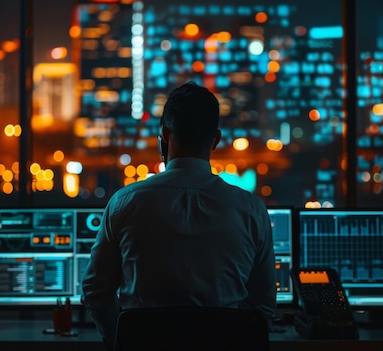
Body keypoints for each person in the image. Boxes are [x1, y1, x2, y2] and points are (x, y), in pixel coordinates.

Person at [81, 81, 276, 349]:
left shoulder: (124, 204)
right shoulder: (251, 209)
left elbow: (96, 291)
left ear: (164, 136)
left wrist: (121, 338)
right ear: (215, 140)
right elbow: (263, 306)